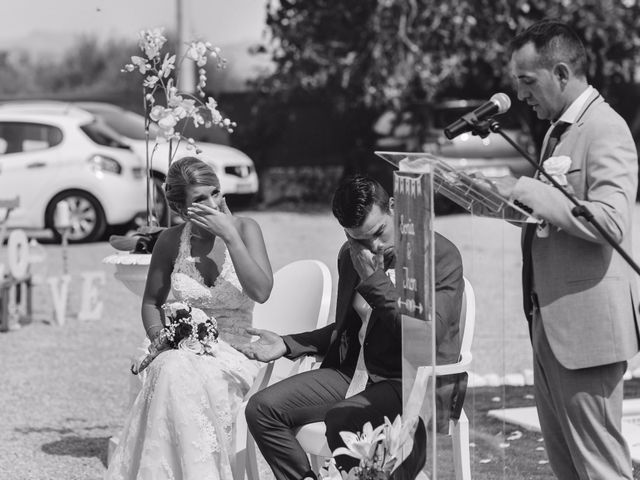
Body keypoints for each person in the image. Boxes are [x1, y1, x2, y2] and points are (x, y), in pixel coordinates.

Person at [236, 174, 464, 480]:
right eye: (358, 238)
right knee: (262, 410)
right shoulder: (350, 256)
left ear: (394, 208)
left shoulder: (437, 255)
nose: (373, 246)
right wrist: (288, 343)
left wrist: (375, 282)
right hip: (355, 373)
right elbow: (353, 327)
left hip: (411, 381)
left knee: (343, 417)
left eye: (379, 232)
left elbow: (426, 337)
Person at [495, 19, 640, 480]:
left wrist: (538, 195)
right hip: (550, 324)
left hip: (588, 333)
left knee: (600, 469)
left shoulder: (605, 128)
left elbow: (613, 221)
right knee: (568, 468)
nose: (520, 95)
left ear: (561, 72)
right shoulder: (559, 129)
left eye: (527, 82)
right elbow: (559, 220)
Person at [106, 156, 273, 480]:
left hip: (238, 349)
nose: (212, 203)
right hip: (183, 347)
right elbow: (152, 303)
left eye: (215, 193)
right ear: (182, 209)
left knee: (178, 375)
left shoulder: (246, 229)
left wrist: (231, 237)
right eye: (200, 199)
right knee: (170, 368)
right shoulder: (171, 241)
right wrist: (161, 341)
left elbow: (261, 291)